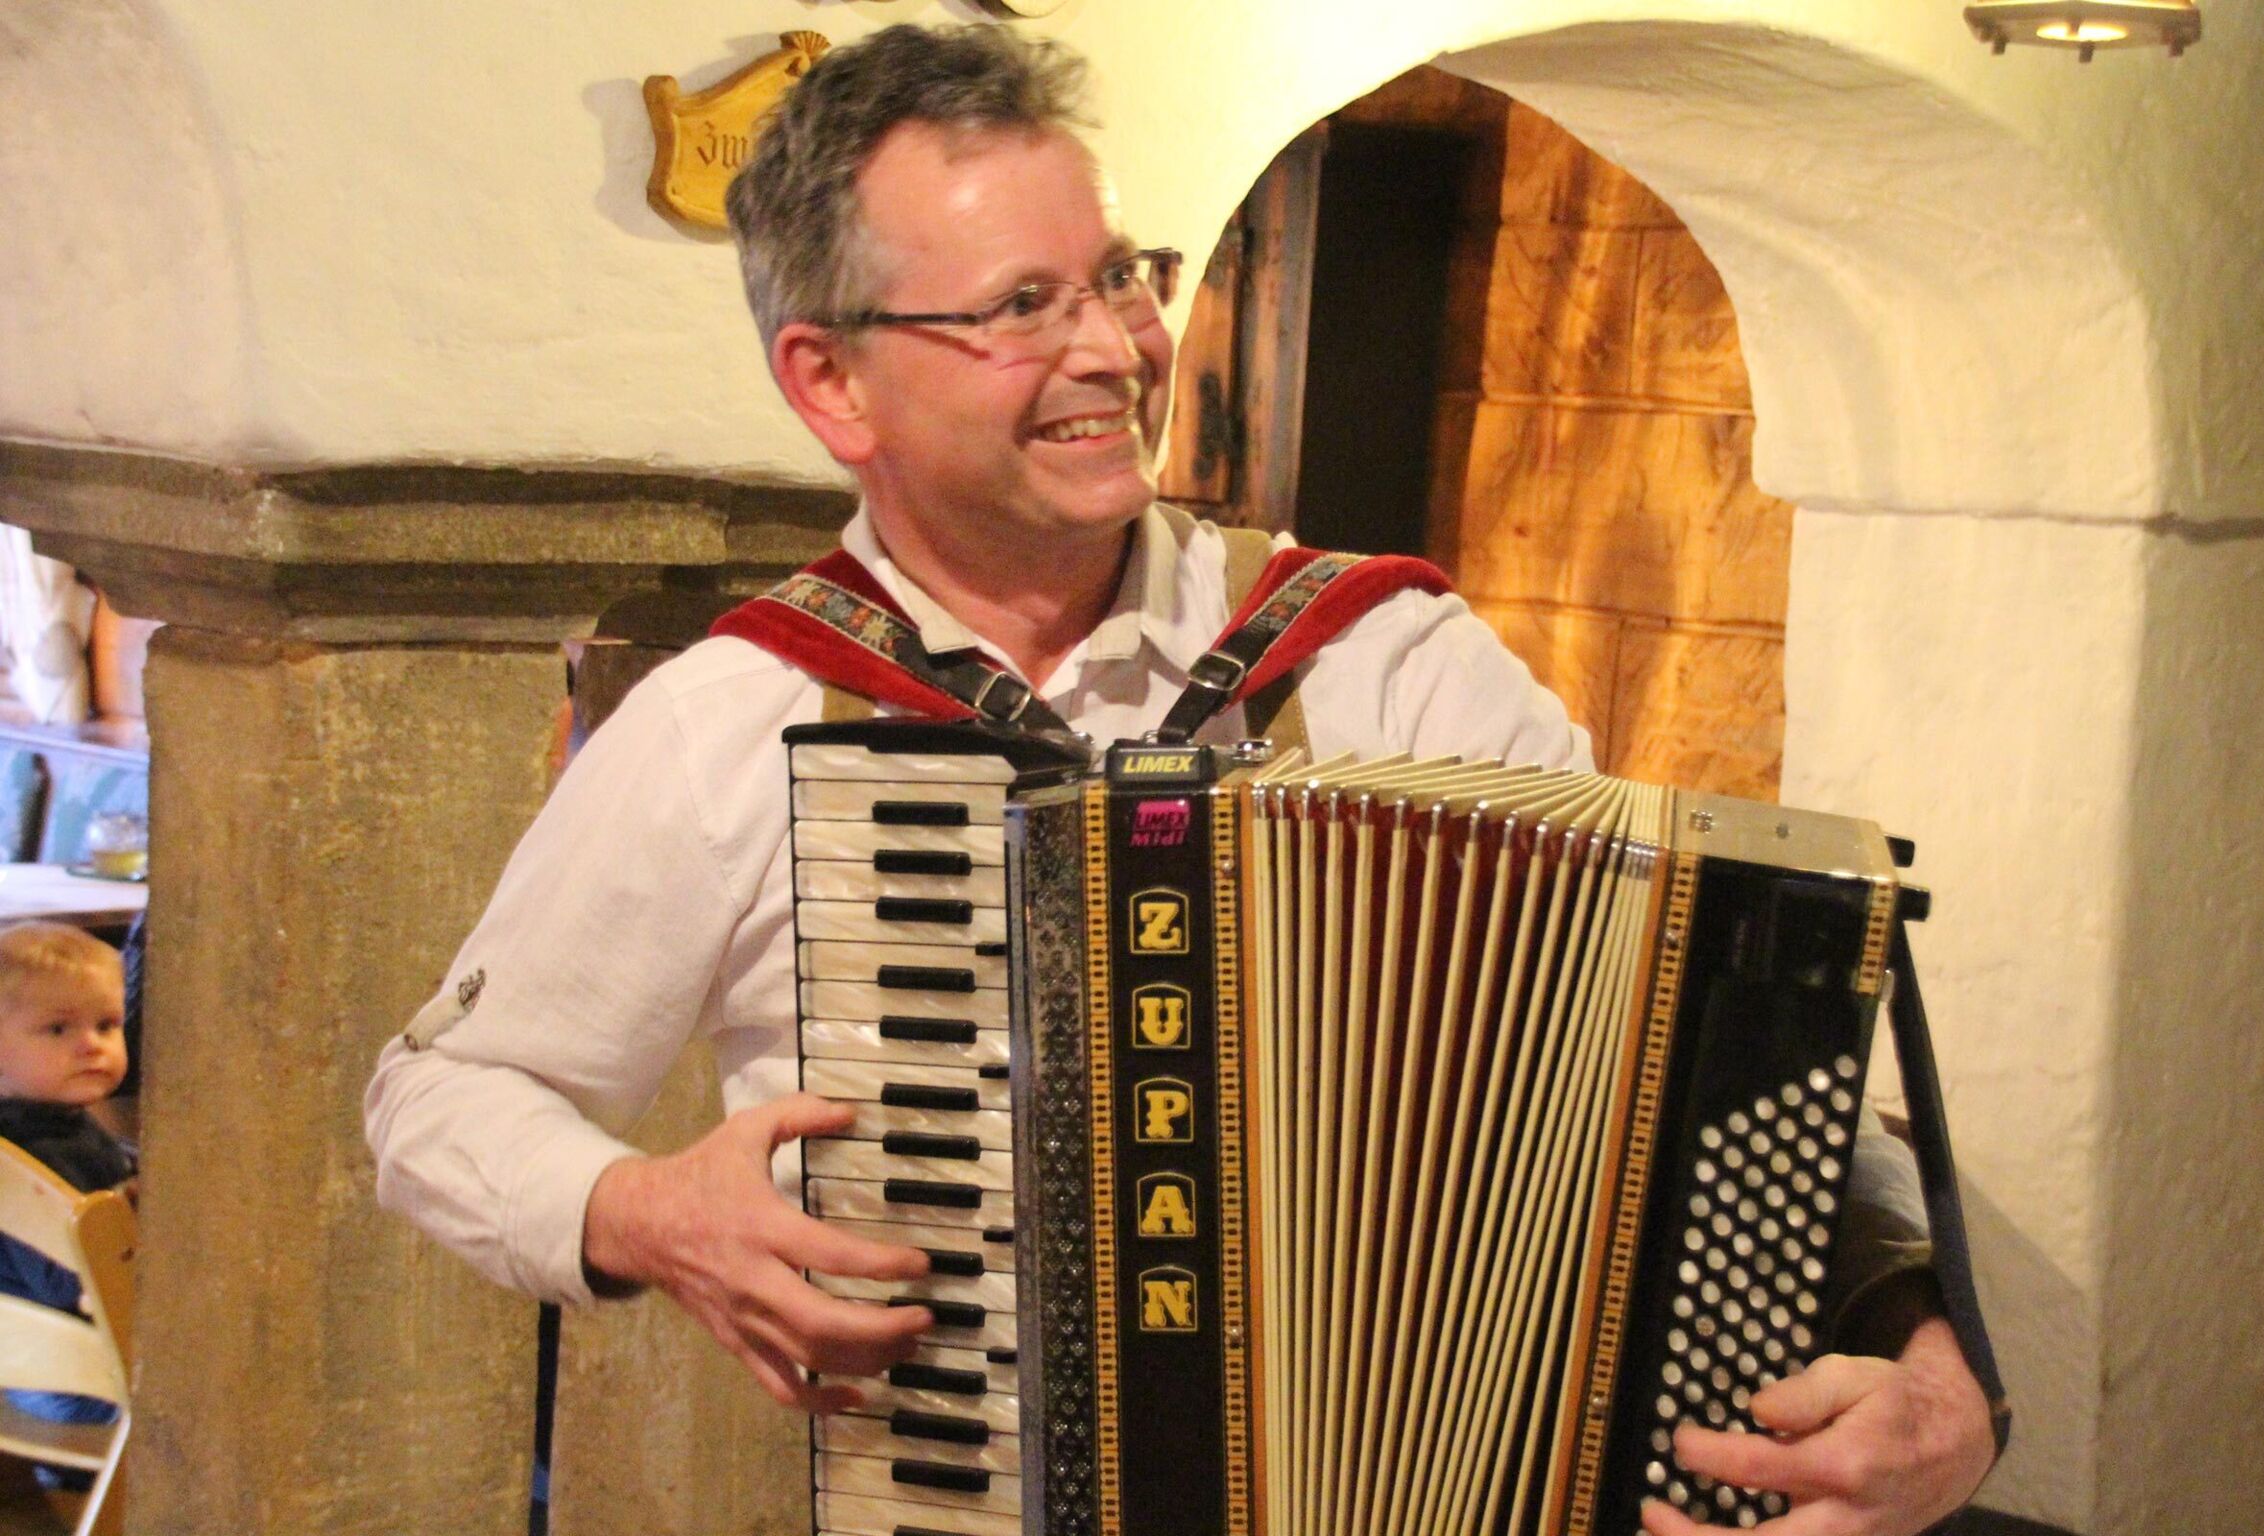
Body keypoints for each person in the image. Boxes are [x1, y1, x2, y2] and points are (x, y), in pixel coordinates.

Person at [365, 24, 1995, 1533]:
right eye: (1020, 307)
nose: (1116, 348)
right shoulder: (738, 723)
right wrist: (644, 1210)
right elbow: (435, 1105)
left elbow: (1697, 1050)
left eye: (1119, 279)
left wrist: (1927, 1344)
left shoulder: (1381, 662)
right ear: (830, 382)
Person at [0, 921, 134, 1453]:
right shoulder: (34, 1162)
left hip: (30, 1359)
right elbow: (77, 1286)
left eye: (107, 1024)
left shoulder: (51, 1126)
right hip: (70, 1386)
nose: (90, 1045)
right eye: (58, 1030)